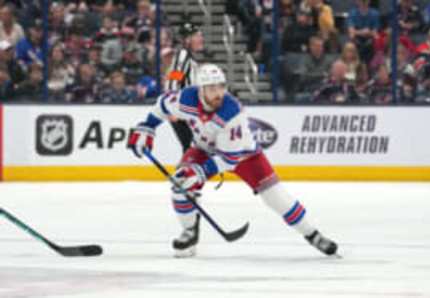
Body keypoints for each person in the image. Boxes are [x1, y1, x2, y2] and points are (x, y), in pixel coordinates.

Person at [128, 63, 338, 258]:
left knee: (276, 197)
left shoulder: (231, 111)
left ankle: (312, 234)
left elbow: (230, 159)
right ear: (201, 89)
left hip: (245, 156)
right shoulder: (185, 99)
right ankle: (189, 233)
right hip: (203, 148)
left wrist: (200, 173)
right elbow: (162, 106)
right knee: (180, 182)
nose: (218, 93)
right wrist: (147, 127)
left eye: (221, 87)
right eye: (211, 88)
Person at [164, 22, 204, 153]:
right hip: (181, 111)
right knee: (191, 149)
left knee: (192, 149)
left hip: (188, 112)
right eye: (197, 36)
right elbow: (173, 81)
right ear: (187, 39)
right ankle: (185, 173)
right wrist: (173, 110)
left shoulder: (190, 58)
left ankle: (186, 172)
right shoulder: (183, 54)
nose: (201, 39)